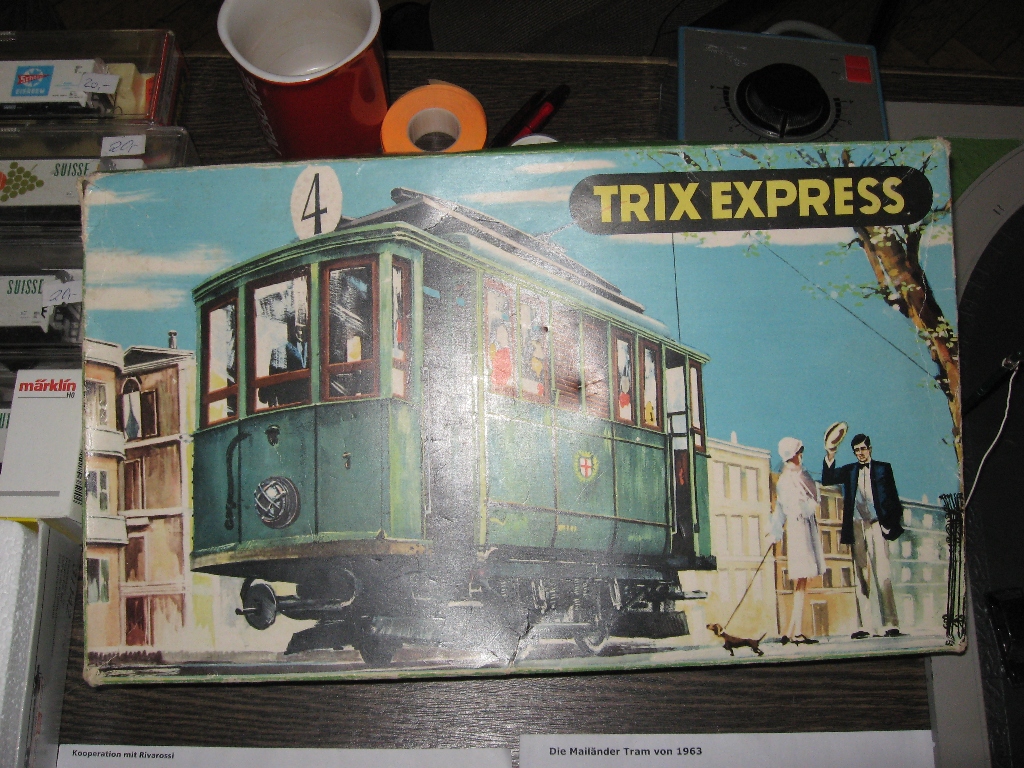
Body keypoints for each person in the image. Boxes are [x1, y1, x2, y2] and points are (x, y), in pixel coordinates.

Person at [821, 433, 904, 638]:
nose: (860, 453)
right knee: (861, 576)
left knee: (882, 574)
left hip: (877, 525)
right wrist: (830, 454)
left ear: (870, 449)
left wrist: (890, 526)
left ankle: (890, 624)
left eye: (863, 449)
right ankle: (865, 626)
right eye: (857, 450)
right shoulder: (850, 470)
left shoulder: (883, 468)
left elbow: (893, 499)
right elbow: (828, 479)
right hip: (857, 526)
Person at [771, 437, 826, 645]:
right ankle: (794, 632)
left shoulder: (800, 475)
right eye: (798, 452)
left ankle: (791, 631)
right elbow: (782, 509)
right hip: (798, 529)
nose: (801, 455)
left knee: (803, 581)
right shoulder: (787, 480)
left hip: (805, 527)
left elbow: (814, 497)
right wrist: (775, 532)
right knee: (801, 579)